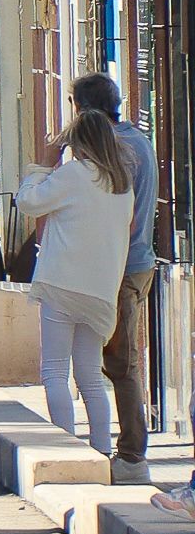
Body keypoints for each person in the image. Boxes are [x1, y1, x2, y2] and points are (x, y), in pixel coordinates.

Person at [16, 109, 135, 458]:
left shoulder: (73, 175)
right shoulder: (121, 184)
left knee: (55, 371)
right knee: (91, 377)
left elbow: (28, 202)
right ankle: (101, 453)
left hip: (62, 284)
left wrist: (41, 165)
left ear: (78, 144)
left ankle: (68, 450)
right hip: (101, 291)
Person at [71, 74, 158, 484]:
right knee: (121, 361)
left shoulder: (115, 148)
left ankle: (132, 456)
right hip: (139, 261)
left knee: (122, 365)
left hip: (121, 264)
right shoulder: (137, 139)